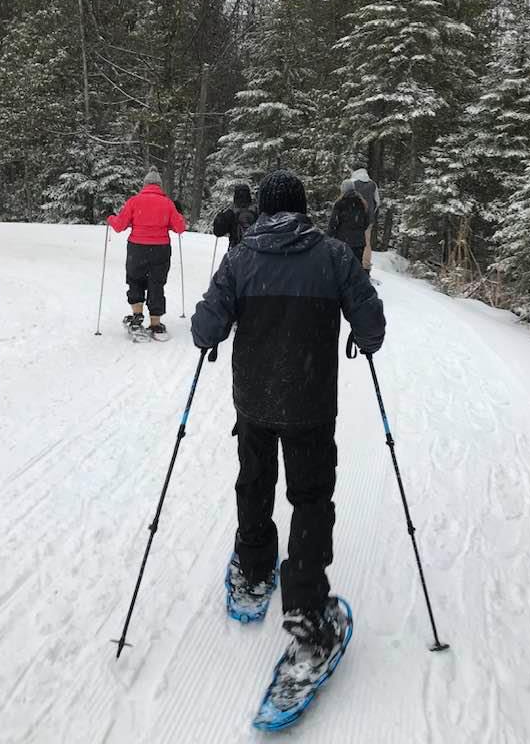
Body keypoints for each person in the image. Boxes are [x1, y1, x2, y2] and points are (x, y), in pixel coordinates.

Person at [191, 169, 385, 703]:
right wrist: (366, 338)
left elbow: (206, 327)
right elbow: (371, 322)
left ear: (263, 210)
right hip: (311, 405)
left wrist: (211, 332)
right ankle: (306, 609)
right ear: (302, 209)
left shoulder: (240, 259)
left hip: (254, 402)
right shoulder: (333, 256)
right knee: (311, 499)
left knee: (255, 480)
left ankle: (255, 569)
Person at [107, 167, 186, 338]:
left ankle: (137, 317)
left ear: (145, 185)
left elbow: (119, 226)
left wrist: (110, 217)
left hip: (137, 248)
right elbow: (180, 228)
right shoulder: (168, 203)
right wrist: (178, 214)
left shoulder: (134, 201)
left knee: (135, 280)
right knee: (156, 283)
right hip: (161, 249)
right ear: (159, 186)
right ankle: (156, 324)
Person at [327, 180, 369, 264]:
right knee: (356, 265)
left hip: (343, 240)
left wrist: (329, 237)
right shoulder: (361, 203)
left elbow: (333, 223)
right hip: (359, 242)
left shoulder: (340, 203)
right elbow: (366, 223)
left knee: (343, 266)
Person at [351, 168, 380, 274]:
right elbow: (377, 202)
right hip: (368, 219)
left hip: (354, 218)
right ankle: (366, 267)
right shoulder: (373, 184)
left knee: (352, 241)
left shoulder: (352, 183)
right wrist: (371, 212)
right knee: (367, 242)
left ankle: (353, 266)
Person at [212, 184, 257, 249]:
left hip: (236, 249)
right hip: (254, 249)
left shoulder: (231, 211)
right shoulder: (256, 210)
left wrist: (219, 220)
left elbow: (218, 232)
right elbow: (218, 232)